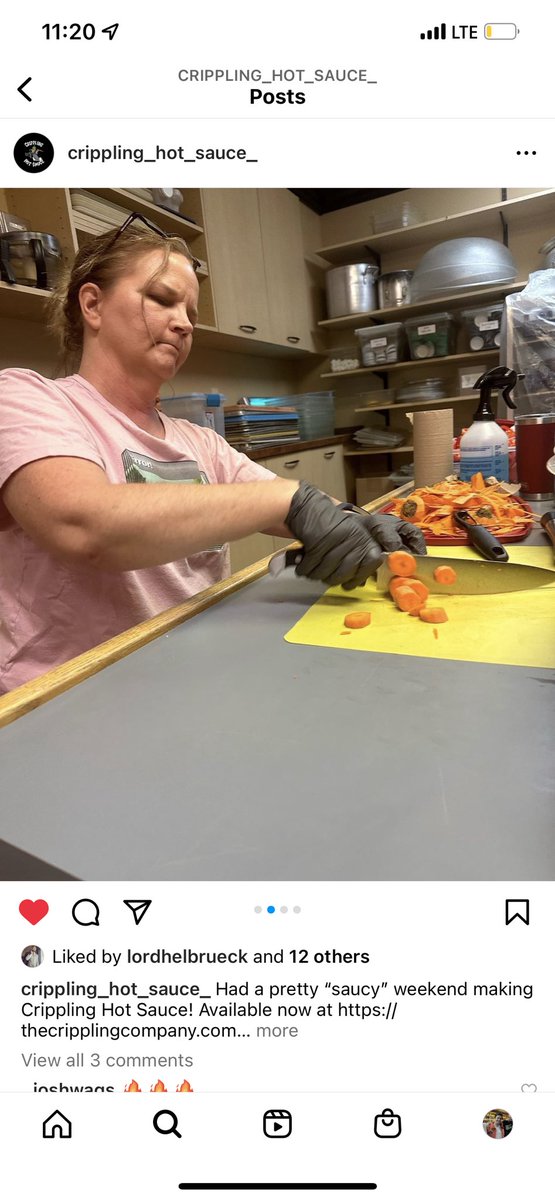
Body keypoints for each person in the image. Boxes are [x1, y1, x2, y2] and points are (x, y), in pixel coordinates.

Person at [0, 213, 424, 692]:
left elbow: (285, 502)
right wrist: (291, 501)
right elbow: (82, 524)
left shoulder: (197, 440)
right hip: (69, 697)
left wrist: (354, 521)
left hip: (193, 673)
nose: (183, 324)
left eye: (192, 314)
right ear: (93, 305)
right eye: (161, 299)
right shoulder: (27, 398)